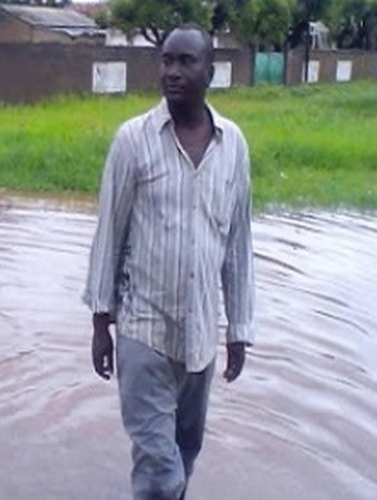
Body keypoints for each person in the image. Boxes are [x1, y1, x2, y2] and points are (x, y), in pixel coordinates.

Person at [83, 25, 255, 500]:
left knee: (184, 453)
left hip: (200, 336)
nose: (173, 72)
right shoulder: (133, 140)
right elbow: (109, 232)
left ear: (211, 72)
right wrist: (101, 323)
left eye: (186, 62)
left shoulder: (233, 146)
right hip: (144, 330)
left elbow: (237, 243)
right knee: (160, 471)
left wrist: (238, 328)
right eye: (167, 61)